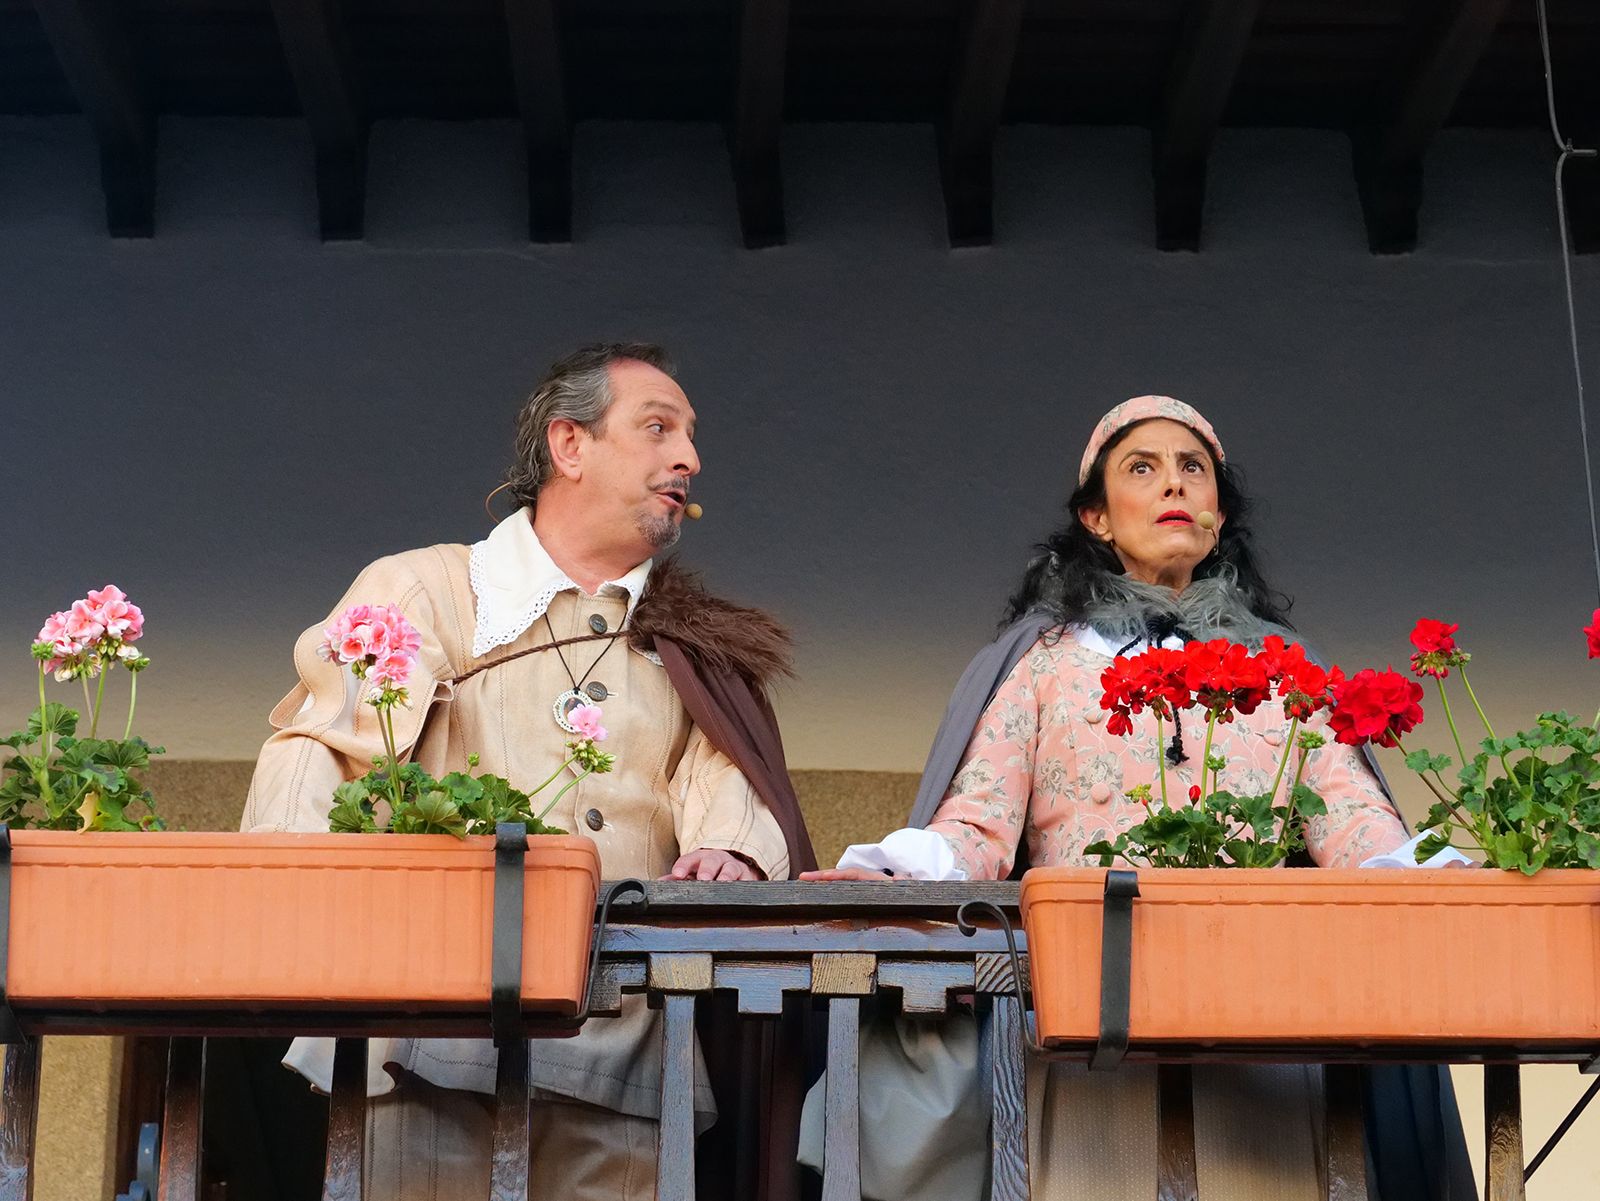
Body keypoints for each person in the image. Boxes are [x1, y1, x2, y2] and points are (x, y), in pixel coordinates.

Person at [803, 395, 1475, 1200]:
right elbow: (979, 823)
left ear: (1219, 517)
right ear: (1096, 517)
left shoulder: (1285, 672)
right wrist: (896, 872)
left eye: (1194, 470)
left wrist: (1443, 874)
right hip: (1091, 1037)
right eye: (1143, 468)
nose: (1174, 486)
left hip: (1260, 1038)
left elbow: (1354, 820)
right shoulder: (1044, 662)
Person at [244, 342, 816, 1201]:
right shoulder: (427, 588)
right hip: (426, 1037)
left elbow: (732, 778)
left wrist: (731, 852)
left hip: (626, 1054)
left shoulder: (698, 642)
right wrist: (275, 905)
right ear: (569, 445)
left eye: (691, 438)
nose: (689, 458)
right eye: (657, 427)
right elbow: (322, 748)